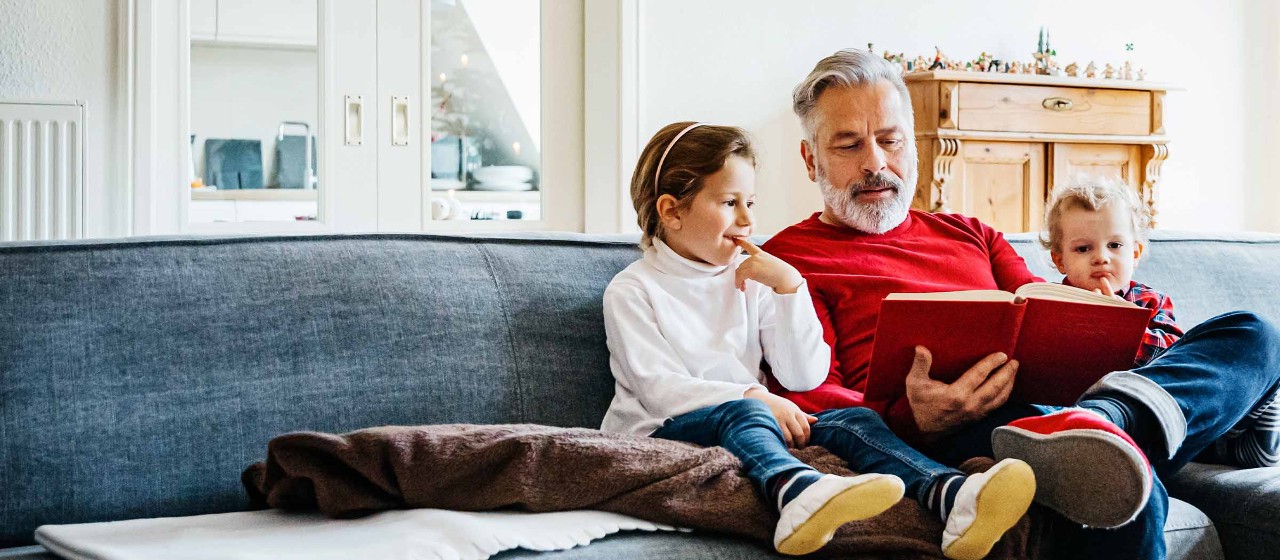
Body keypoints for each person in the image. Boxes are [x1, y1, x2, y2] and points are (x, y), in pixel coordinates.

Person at [761, 48, 1280, 559]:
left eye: (890, 140)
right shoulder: (786, 262)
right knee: (1124, 494)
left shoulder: (972, 233)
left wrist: (1093, 321)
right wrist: (911, 419)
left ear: (913, 143)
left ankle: (1111, 422)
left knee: (1254, 334)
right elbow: (811, 393)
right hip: (966, 433)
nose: (876, 163)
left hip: (1063, 407)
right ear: (811, 159)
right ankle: (1111, 433)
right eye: (848, 145)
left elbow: (1042, 308)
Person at [599, 121, 1035, 559]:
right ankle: (796, 493)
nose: (748, 220)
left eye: (749, 202)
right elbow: (658, 389)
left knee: (856, 421)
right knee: (745, 413)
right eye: (730, 203)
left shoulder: (753, 278)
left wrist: (790, 289)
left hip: (754, 419)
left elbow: (804, 374)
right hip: (664, 429)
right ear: (672, 211)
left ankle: (950, 493)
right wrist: (753, 395)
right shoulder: (633, 291)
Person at [1042, 179, 1279, 468]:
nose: (1101, 258)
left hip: (1157, 409)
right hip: (1076, 410)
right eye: (1083, 249)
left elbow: (1171, 356)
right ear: (1060, 260)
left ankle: (1245, 423)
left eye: (1115, 245)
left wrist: (1123, 323)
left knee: (1255, 332)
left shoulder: (1149, 301)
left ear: (1136, 253)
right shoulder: (1050, 305)